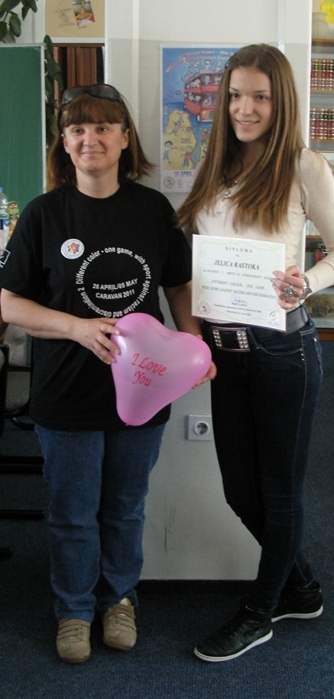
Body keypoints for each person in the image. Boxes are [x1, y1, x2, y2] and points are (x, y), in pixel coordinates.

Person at [0, 83, 214, 664]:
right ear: (64, 143)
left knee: (124, 507)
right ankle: (73, 610)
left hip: (145, 387)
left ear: (124, 139)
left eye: (102, 127)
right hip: (66, 389)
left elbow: (179, 284)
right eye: (77, 129)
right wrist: (76, 327)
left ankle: (118, 599)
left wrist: (193, 340)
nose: (89, 139)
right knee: (72, 512)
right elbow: (9, 302)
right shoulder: (44, 214)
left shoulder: (153, 211)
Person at [177, 44, 334, 662]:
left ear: (281, 101)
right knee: (240, 491)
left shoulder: (304, 166)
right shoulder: (215, 166)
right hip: (226, 352)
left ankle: (259, 613)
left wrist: (306, 281)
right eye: (235, 96)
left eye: (259, 97)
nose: (244, 109)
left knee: (280, 493)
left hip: (284, 350)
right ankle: (301, 587)